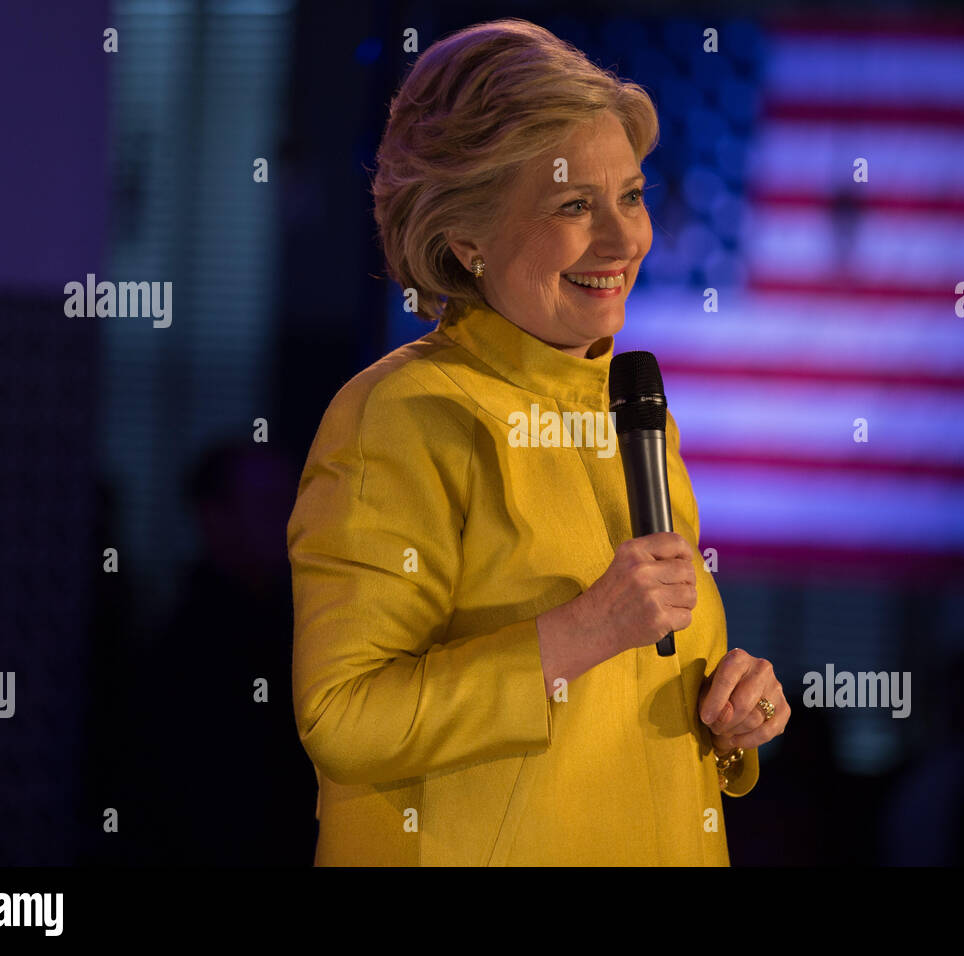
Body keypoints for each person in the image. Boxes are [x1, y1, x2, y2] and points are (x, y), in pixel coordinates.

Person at [287, 18, 790, 866]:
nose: (624, 239)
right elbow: (344, 717)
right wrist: (582, 630)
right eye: (572, 205)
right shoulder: (403, 415)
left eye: (631, 196)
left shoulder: (636, 412)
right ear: (466, 239)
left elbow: (647, 686)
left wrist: (736, 715)